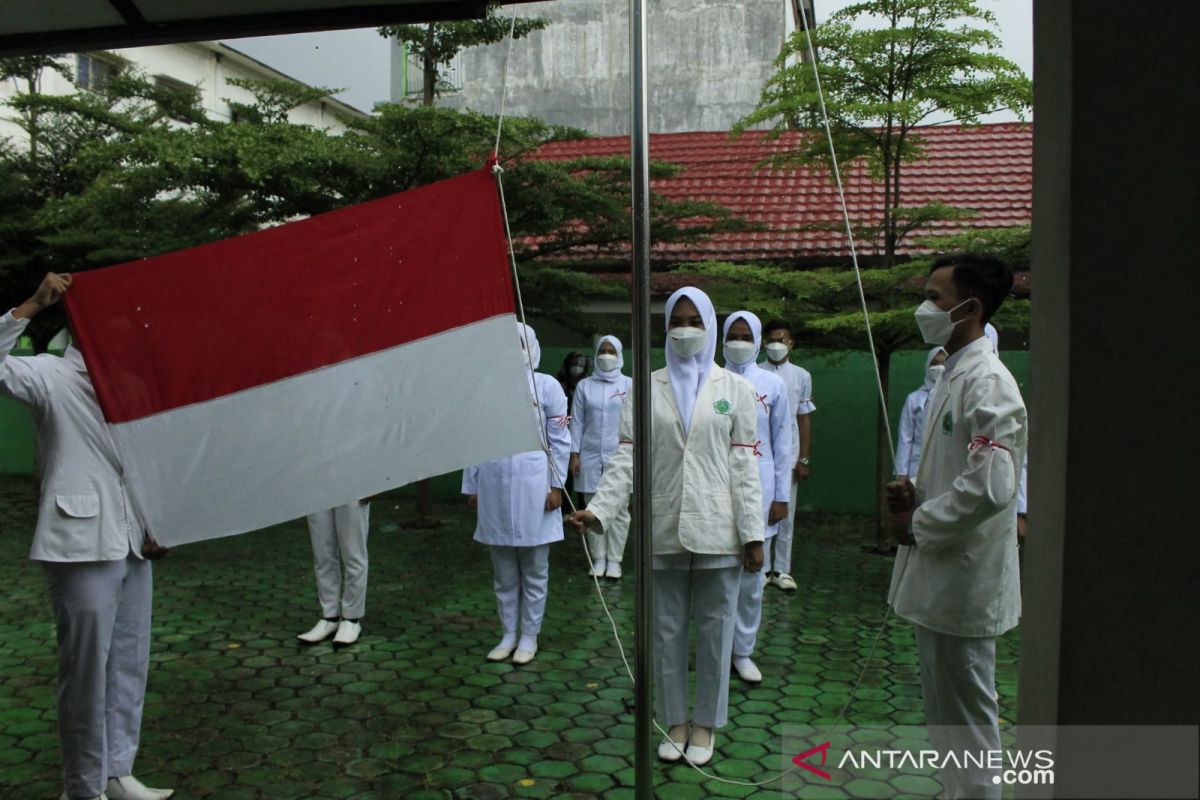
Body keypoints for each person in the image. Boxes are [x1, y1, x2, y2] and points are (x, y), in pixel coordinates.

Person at [569, 287, 764, 767]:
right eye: (676, 319)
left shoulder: (734, 390)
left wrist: (753, 532)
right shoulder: (644, 387)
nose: (684, 328)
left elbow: (745, 467)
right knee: (667, 630)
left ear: (709, 326)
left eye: (695, 320)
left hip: (721, 528)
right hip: (662, 525)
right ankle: (675, 719)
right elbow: (627, 457)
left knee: (716, 631)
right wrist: (600, 509)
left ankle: (706, 724)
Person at [0, 273, 174, 800]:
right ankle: (81, 788)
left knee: (128, 663)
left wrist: (157, 521)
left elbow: (147, 464)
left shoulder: (135, 384)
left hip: (133, 539)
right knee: (85, 673)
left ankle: (118, 773)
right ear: (82, 330)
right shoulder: (49, 375)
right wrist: (31, 305)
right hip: (78, 541)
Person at [886, 253, 1027, 800]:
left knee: (968, 715)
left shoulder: (990, 382)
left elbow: (993, 485)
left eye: (935, 298)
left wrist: (919, 522)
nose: (926, 307)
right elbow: (955, 469)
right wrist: (915, 497)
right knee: (944, 711)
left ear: (970, 308)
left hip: (967, 576)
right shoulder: (952, 371)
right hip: (941, 570)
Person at [463, 323, 570, 666]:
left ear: (532, 347)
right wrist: (473, 484)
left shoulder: (548, 386)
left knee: (535, 570)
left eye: (520, 343)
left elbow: (561, 440)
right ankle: (508, 633)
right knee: (504, 571)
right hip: (494, 483)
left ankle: (529, 636)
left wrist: (556, 486)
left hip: (536, 484)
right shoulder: (485, 388)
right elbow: (474, 439)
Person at [722, 311, 791, 685]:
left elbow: (784, 441)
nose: (739, 342)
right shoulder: (708, 379)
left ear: (759, 339)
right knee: (717, 576)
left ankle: (742, 651)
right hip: (716, 489)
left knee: (752, 578)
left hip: (761, 490)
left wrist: (781, 496)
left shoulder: (773, 384)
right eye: (733, 334)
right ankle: (717, 646)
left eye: (747, 336)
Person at [568, 335, 632, 580]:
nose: (607, 355)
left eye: (611, 351)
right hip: (590, 454)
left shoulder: (629, 384)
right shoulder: (585, 386)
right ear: (595, 355)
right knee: (592, 506)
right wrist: (575, 455)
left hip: (620, 456)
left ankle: (615, 560)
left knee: (620, 508)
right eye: (602, 351)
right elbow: (578, 422)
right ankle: (598, 559)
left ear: (619, 355)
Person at [759, 319, 815, 591]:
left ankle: (781, 569)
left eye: (781, 340)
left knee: (786, 512)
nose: (776, 345)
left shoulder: (801, 376)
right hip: (760, 454)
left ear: (790, 343)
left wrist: (803, 458)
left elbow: (803, 419)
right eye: (771, 340)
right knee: (761, 510)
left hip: (789, 454)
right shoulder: (755, 372)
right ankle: (761, 567)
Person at [296, 500, 370, 647]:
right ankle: (330, 617)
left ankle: (352, 619)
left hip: (352, 484)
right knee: (322, 554)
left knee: (353, 553)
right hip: (317, 484)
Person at [894, 348, 948, 480]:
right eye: (934, 363)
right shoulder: (914, 399)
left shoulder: (952, 395)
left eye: (943, 362)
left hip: (944, 469)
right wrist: (901, 473)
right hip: (916, 470)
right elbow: (905, 438)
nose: (939, 367)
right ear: (927, 365)